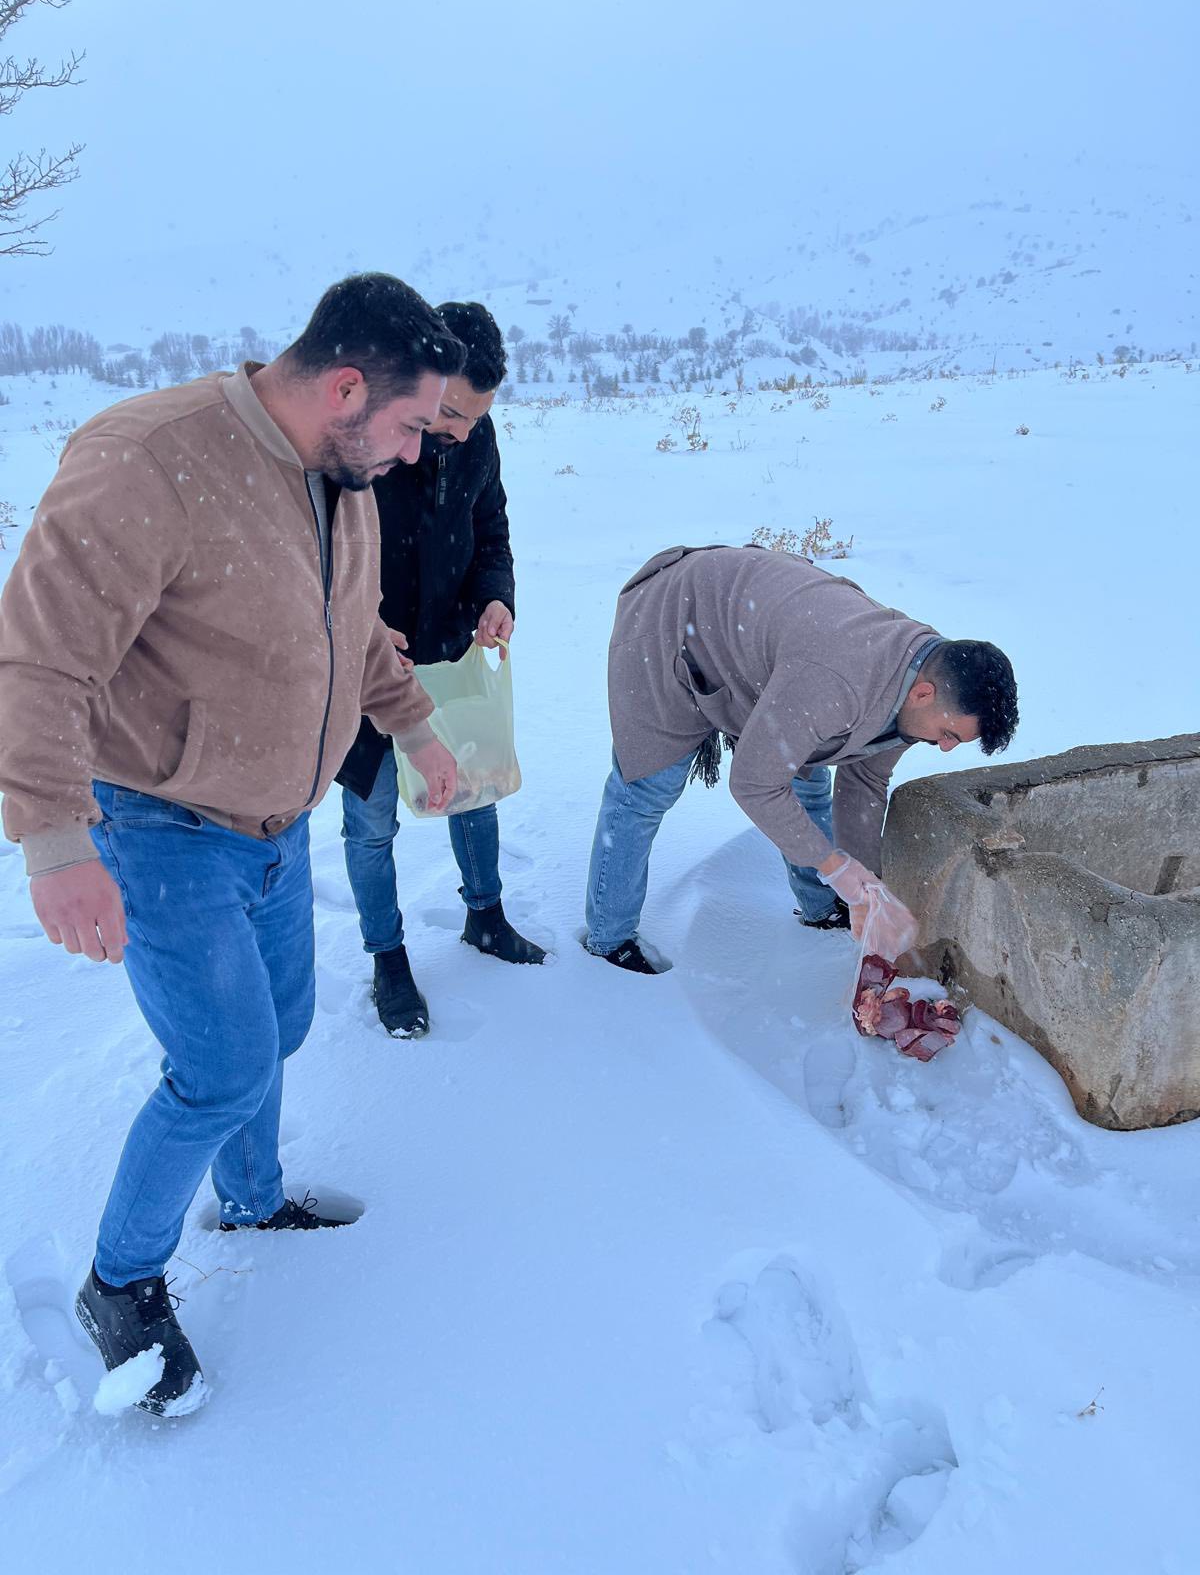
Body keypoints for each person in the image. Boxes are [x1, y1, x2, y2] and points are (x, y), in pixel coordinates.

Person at [0, 273, 464, 1414]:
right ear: (346, 388)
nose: (417, 453)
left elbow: (354, 631)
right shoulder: (149, 459)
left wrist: (415, 726)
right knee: (220, 1069)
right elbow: (38, 657)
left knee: (281, 1030)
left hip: (276, 825)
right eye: (412, 424)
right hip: (161, 826)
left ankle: (252, 1199)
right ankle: (120, 1285)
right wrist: (54, 842)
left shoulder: (339, 477)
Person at [584, 543, 1018, 972]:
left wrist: (866, 888)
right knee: (648, 789)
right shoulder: (837, 680)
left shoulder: (923, 682)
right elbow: (753, 784)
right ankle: (609, 938)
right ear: (924, 694)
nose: (945, 747)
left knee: (807, 781)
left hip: (766, 637)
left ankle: (821, 904)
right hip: (676, 619)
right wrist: (835, 865)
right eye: (949, 734)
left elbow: (864, 783)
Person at [337, 300, 545, 1040]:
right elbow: (320, 560)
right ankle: (387, 957)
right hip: (371, 666)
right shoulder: (362, 439)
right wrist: (361, 627)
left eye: (475, 418)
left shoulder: (475, 437)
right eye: (450, 413)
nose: (459, 431)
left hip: (451, 653)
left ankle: (485, 916)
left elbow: (492, 527)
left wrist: (495, 596)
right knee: (371, 823)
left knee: (474, 791)